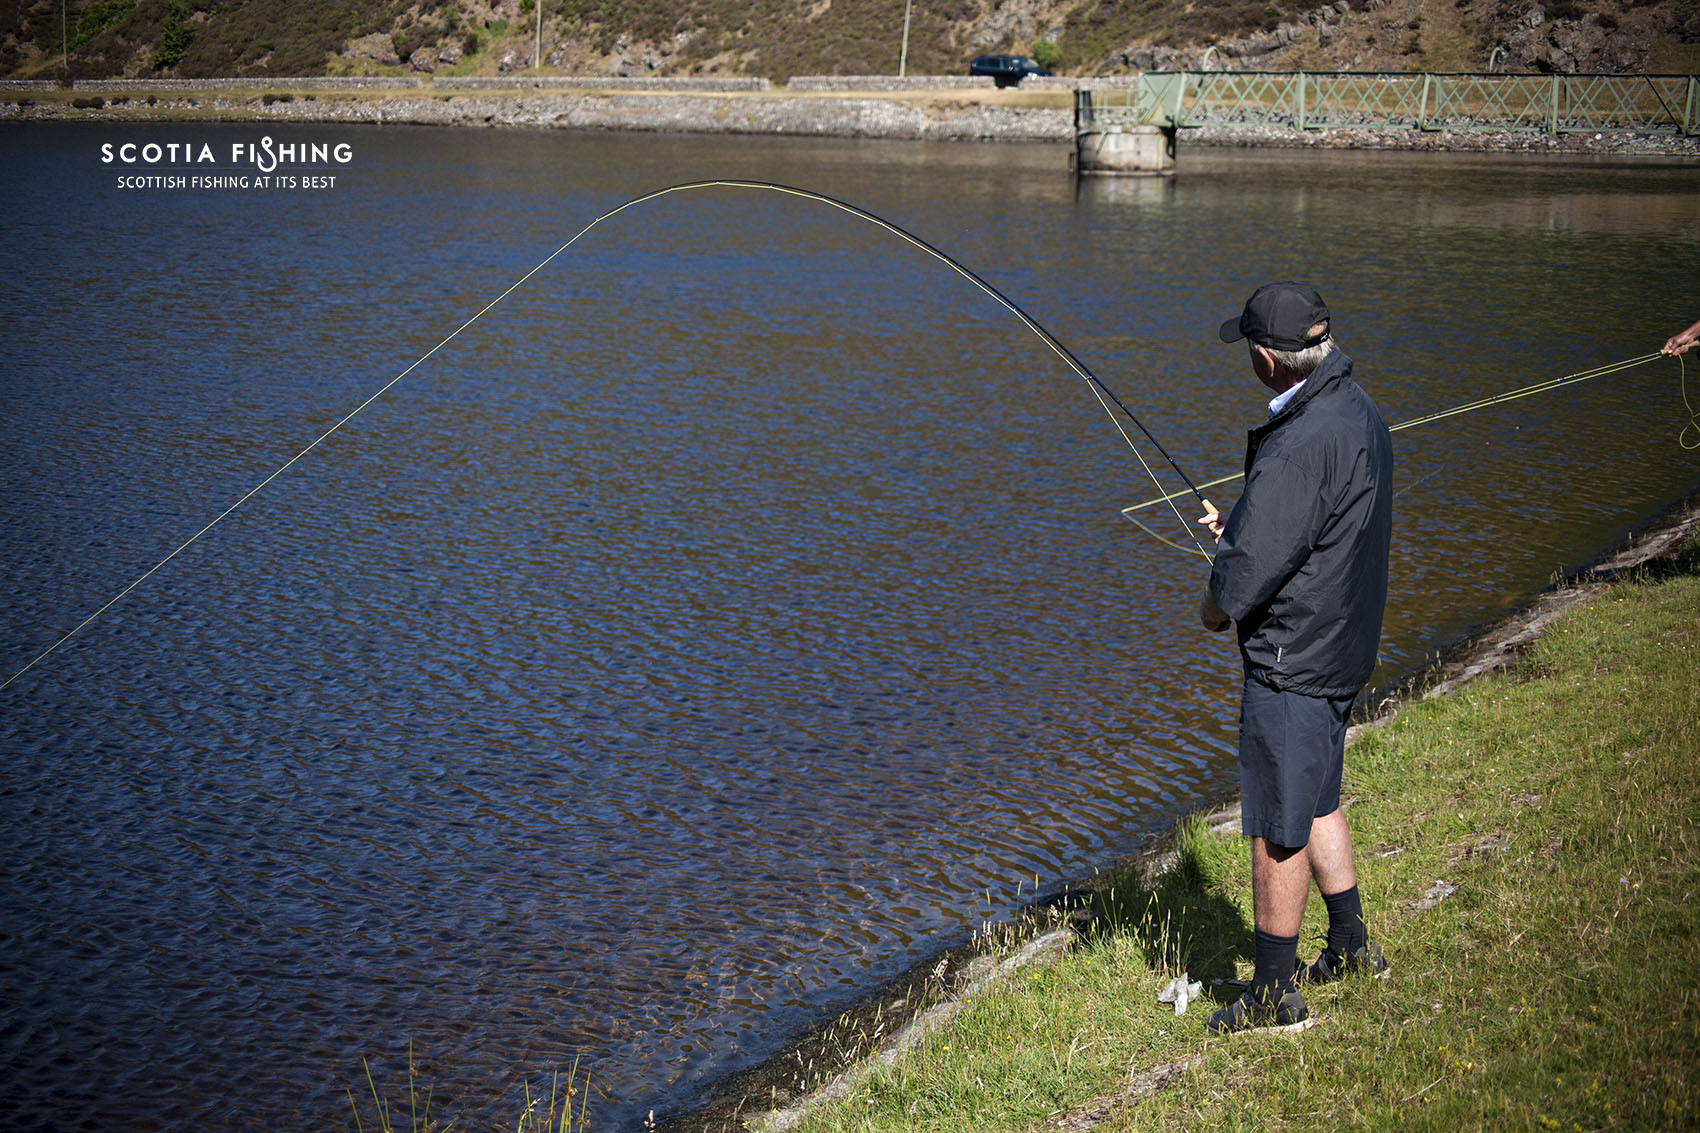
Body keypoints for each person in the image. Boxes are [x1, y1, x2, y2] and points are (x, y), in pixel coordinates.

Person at [1195, 281, 1394, 1034]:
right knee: (1315, 796)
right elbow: (1316, 527)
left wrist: (1213, 603)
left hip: (1296, 657)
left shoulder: (1301, 443)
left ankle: (1275, 995)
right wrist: (1245, 526)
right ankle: (1347, 943)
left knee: (1280, 818)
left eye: (1248, 346)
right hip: (1341, 641)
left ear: (1268, 357)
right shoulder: (1355, 409)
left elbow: (1240, 584)